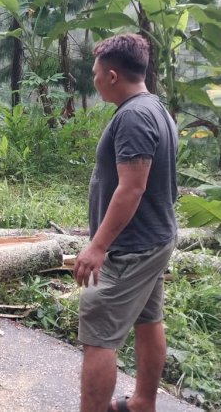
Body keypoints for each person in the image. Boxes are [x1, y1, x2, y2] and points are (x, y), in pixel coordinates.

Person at [74, 34, 178, 412]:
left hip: (130, 248)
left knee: (99, 334)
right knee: (149, 318)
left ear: (113, 75)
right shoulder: (155, 108)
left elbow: (131, 189)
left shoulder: (134, 116)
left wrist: (98, 245)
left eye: (96, 72)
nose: (95, 78)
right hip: (155, 237)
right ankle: (142, 403)